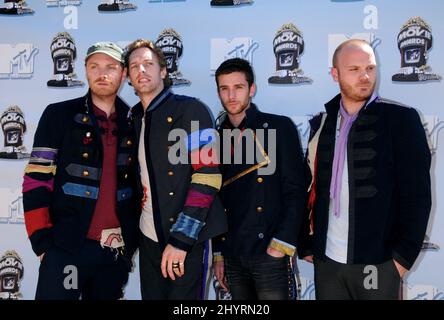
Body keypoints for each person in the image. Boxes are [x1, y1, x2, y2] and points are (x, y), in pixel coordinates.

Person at [298, 39, 431, 300]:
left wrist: (399, 262)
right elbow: (309, 186)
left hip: (380, 264)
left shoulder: (401, 120)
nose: (365, 76)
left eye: (370, 68)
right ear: (335, 74)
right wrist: (305, 242)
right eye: (354, 69)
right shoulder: (322, 123)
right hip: (328, 263)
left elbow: (417, 196)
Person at [22, 42, 140, 299]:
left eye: (110, 67)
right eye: (94, 66)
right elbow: (35, 180)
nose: (102, 73)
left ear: (123, 74)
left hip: (114, 251)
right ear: (85, 70)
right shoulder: (58, 115)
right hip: (66, 248)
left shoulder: (135, 122)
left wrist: (129, 244)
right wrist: (43, 243)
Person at [124, 39, 227, 300]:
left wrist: (181, 240)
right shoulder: (132, 119)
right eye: (134, 65)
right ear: (127, 76)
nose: (141, 70)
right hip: (148, 238)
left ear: (163, 71)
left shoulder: (191, 110)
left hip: (186, 240)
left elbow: (207, 178)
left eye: (148, 64)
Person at [212, 58, 306, 300]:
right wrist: (219, 253)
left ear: (251, 89)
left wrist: (280, 245)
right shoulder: (216, 137)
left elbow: (295, 190)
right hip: (233, 254)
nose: (231, 95)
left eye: (239, 87)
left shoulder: (279, 127)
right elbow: (217, 200)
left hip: (269, 252)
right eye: (224, 88)